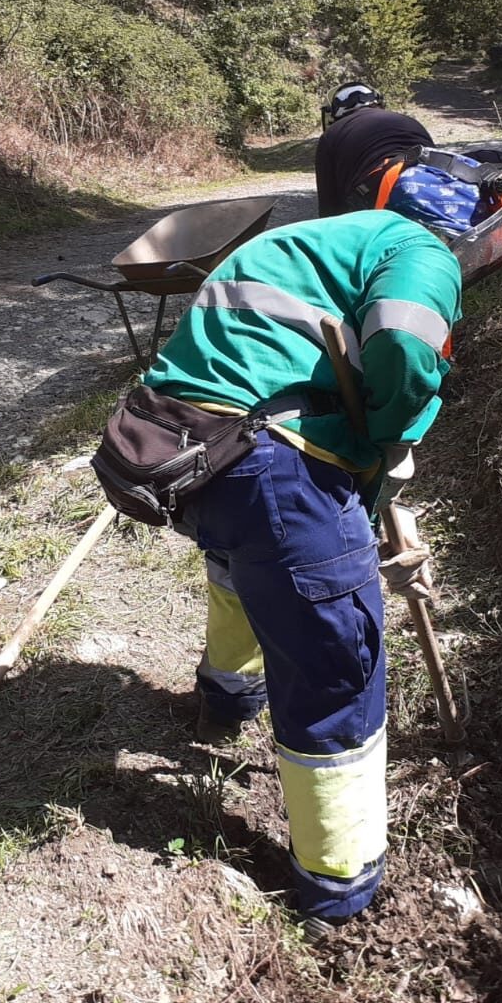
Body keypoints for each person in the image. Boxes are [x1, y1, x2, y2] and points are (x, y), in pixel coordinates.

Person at [138, 194, 477, 935]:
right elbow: (407, 349)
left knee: (239, 573)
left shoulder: (322, 242)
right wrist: (386, 436)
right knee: (334, 664)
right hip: (269, 465)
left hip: (182, 452)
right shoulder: (422, 250)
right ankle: (338, 884)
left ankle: (225, 701)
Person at [314, 82, 432, 219]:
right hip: (430, 185)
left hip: (377, 194)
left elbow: (329, 207)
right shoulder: (410, 121)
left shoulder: (331, 135)